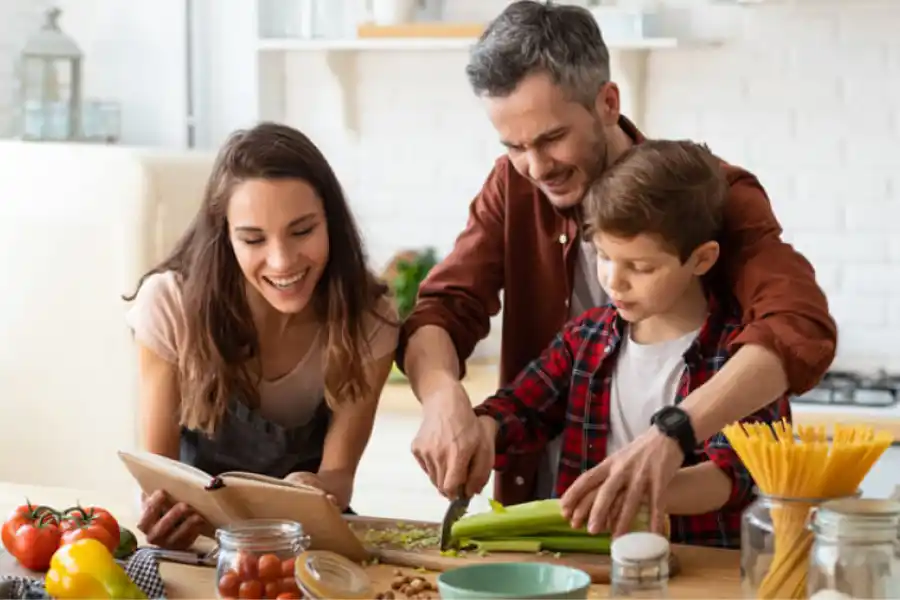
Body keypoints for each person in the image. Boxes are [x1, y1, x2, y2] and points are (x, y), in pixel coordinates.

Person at [399, 0, 835, 537]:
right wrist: (445, 400)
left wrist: (673, 435)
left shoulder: (706, 195)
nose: (535, 168)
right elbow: (444, 309)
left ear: (607, 102)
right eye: (514, 146)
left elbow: (799, 325)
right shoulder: (513, 187)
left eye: (552, 138)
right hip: (556, 514)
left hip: (692, 539)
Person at [472, 139, 791, 548]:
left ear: (701, 259)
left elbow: (735, 474)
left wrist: (631, 489)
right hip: (587, 571)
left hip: (699, 571)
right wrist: (482, 429)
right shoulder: (583, 338)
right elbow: (521, 409)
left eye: (640, 267)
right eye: (604, 256)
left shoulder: (743, 358)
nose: (614, 281)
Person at [123, 122, 399, 550]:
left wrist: (318, 486)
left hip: (308, 540)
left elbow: (340, 475)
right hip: (204, 545)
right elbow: (160, 474)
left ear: (331, 221)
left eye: (303, 231)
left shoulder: (369, 318)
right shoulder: (170, 305)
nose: (282, 261)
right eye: (253, 239)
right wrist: (161, 514)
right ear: (225, 237)